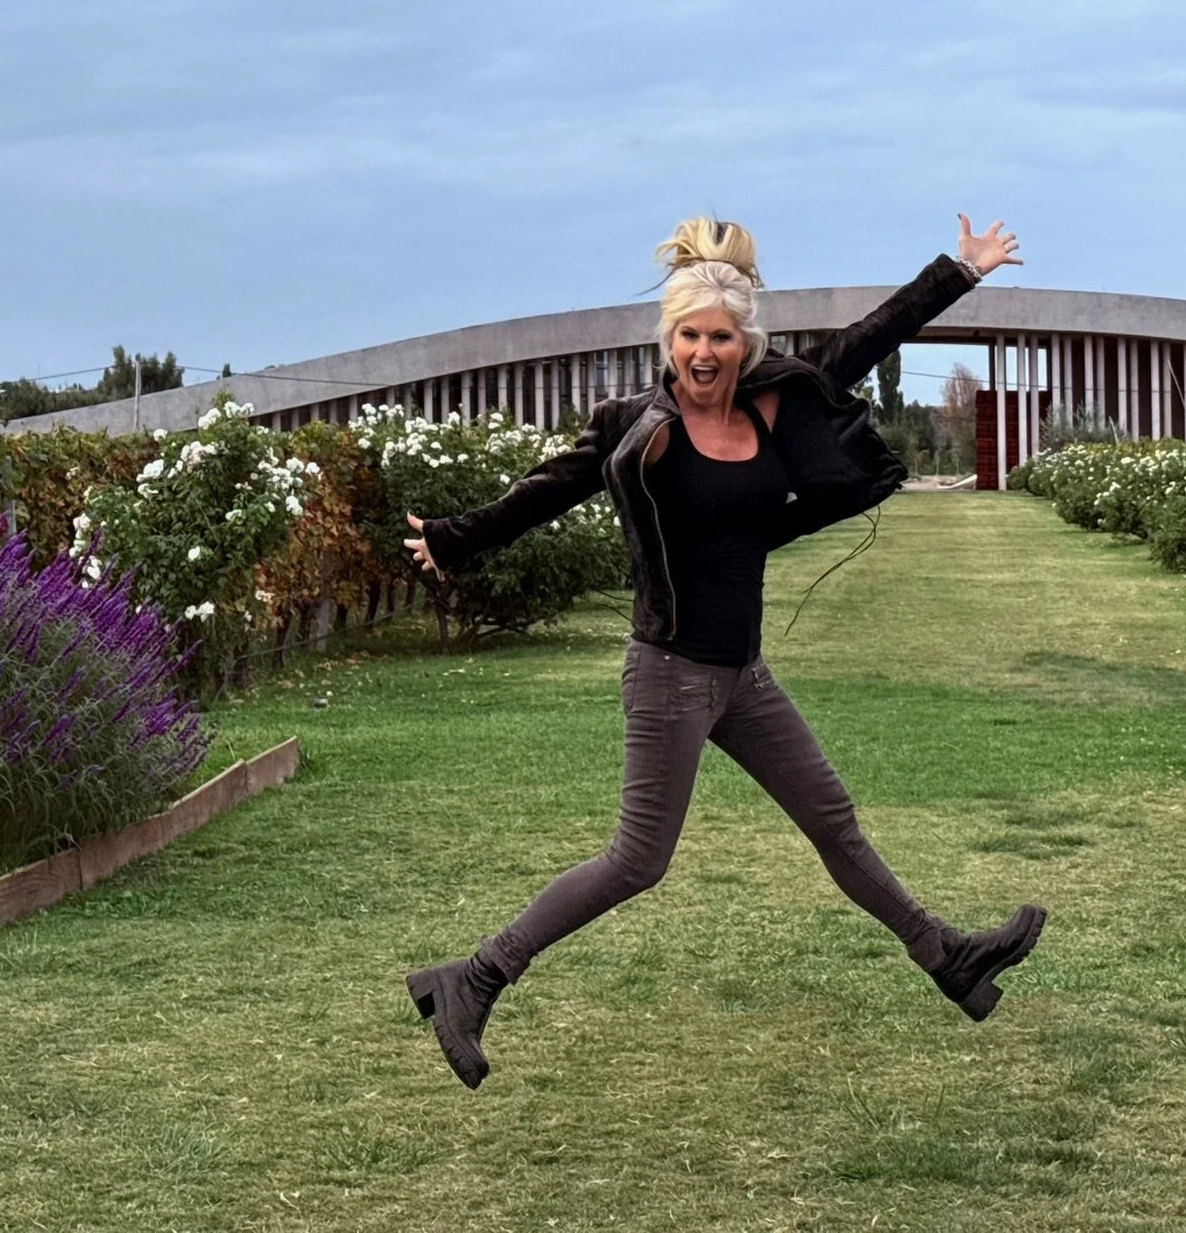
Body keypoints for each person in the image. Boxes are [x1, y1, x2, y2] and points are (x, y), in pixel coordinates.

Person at [400, 215, 1048, 1090]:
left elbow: (869, 337)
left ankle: (947, 957)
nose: (703, 354)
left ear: (746, 344)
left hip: (742, 674)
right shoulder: (636, 426)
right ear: (668, 341)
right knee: (638, 860)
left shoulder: (775, 399)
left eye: (720, 338)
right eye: (689, 337)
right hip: (670, 674)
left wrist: (959, 274)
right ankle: (474, 978)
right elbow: (546, 490)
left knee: (833, 819)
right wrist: (453, 537)